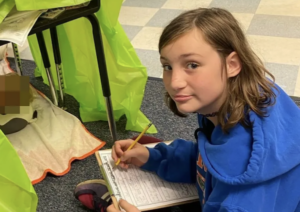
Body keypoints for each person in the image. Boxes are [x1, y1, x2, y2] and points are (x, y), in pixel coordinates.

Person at [74, 7, 300, 212]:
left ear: (232, 64)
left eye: (192, 65)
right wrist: (152, 157)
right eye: (167, 66)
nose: (174, 82)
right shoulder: (252, 95)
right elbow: (212, 159)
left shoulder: (240, 203)